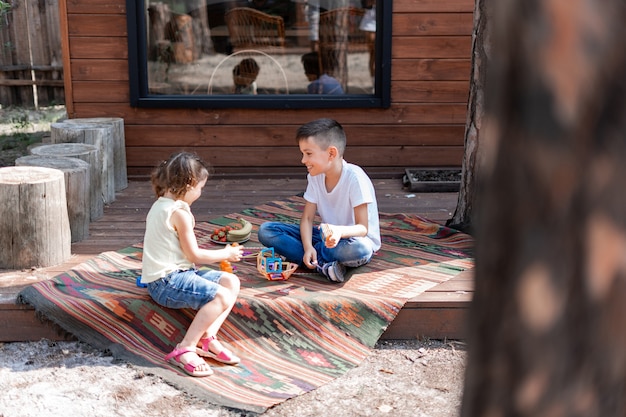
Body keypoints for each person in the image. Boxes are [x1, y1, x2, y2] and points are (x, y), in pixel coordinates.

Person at [140, 151, 243, 377]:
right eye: (200, 188)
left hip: (177, 274)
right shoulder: (178, 213)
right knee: (221, 296)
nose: (200, 193)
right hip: (166, 281)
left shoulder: (162, 204)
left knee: (231, 282)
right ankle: (185, 349)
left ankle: (207, 338)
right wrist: (224, 253)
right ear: (190, 184)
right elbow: (194, 255)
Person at [257, 118, 381, 283]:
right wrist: (308, 247)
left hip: (351, 241)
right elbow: (307, 219)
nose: (303, 160)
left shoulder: (355, 178)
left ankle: (317, 261)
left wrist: (339, 232)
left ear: (331, 153)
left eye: (308, 154)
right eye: (302, 154)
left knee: (361, 249)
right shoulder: (315, 177)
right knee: (266, 230)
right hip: (325, 240)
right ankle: (323, 264)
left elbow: (363, 228)